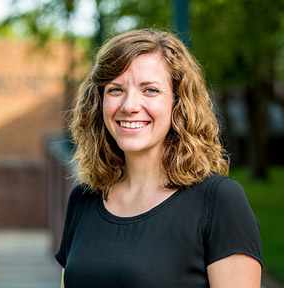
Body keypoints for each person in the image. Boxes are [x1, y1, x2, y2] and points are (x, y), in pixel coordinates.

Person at [55, 29, 262, 288]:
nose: (129, 105)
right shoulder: (84, 198)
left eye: (150, 90)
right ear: (99, 103)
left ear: (179, 103)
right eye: (116, 89)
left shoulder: (219, 202)